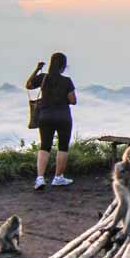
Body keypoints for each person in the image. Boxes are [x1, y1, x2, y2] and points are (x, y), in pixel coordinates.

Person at [26, 52, 77, 190]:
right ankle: (58, 178)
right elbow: (73, 100)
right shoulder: (67, 81)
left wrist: (37, 69)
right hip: (63, 117)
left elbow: (29, 85)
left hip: (45, 116)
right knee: (63, 146)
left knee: (45, 146)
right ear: (64, 66)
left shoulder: (43, 78)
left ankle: (40, 178)